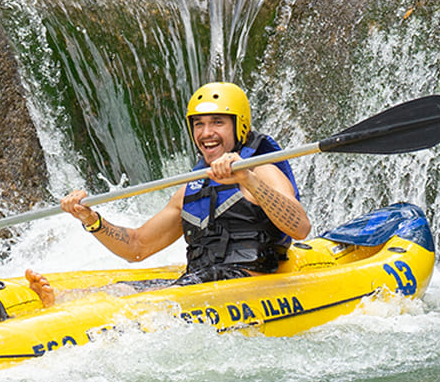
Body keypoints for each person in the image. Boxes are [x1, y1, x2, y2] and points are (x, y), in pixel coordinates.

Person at [35, 83, 311, 292]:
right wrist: (91, 219)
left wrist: (247, 179)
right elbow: (137, 246)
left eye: (217, 122)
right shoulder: (189, 190)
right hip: (200, 282)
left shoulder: (262, 171)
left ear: (239, 126)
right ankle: (59, 300)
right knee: (120, 290)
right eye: (199, 124)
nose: (206, 133)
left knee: (166, 295)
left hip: (246, 284)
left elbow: (300, 228)